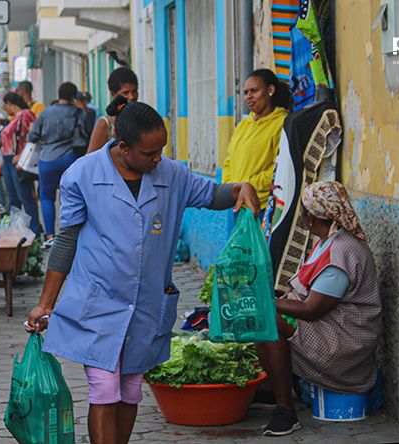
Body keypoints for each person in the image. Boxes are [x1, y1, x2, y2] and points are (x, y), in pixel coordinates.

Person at [26, 101, 261, 444]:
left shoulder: (171, 173)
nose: (157, 159)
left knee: (130, 390)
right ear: (123, 148)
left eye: (161, 150)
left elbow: (213, 195)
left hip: (146, 304)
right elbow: (67, 241)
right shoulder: (82, 174)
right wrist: (46, 303)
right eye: (150, 152)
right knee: (104, 389)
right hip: (98, 301)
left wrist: (241, 189)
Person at [256, 181, 381, 437]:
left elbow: (312, 309)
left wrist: (268, 302)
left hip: (345, 342)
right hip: (332, 327)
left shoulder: (342, 252)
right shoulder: (329, 240)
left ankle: (285, 409)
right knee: (266, 315)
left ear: (311, 217)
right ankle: (274, 387)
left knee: (268, 319)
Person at [27, 82, 89, 247]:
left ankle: (49, 236)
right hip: (69, 158)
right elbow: (83, 136)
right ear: (73, 96)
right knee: (69, 196)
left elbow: (32, 136)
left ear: (59, 94)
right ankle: (68, 234)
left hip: (47, 159)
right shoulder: (78, 113)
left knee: (46, 197)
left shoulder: (47, 112)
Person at [222, 69, 292, 210]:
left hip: (264, 207)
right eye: (246, 92)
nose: (248, 97)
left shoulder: (282, 123)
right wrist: (232, 188)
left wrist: (248, 185)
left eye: (254, 91)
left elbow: (279, 169)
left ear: (270, 90)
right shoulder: (244, 124)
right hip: (240, 204)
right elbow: (230, 160)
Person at [0, 92, 41, 235]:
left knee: (25, 196)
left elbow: (34, 136)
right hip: (7, 159)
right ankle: (14, 229)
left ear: (10, 103)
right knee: (13, 197)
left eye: (6, 105)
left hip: (18, 160)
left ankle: (34, 229)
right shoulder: (13, 118)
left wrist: (21, 154)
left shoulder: (26, 114)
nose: (5, 108)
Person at [87, 67, 139, 153]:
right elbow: (89, 159)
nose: (132, 97)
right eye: (125, 93)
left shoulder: (140, 118)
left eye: (135, 91)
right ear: (113, 94)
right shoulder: (106, 124)